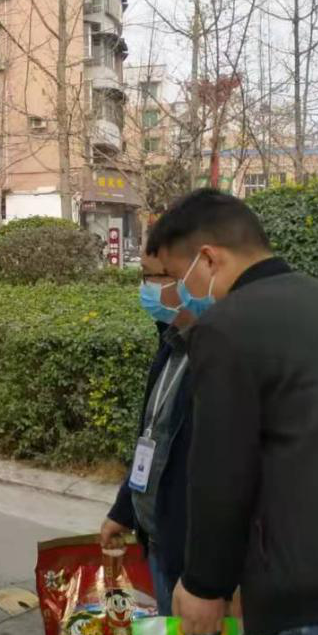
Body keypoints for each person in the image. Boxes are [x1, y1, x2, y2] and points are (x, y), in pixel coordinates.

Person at [152, 188, 318, 635]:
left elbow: (222, 469)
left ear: (208, 258)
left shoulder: (229, 327)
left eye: (174, 277)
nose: (172, 293)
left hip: (317, 617)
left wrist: (205, 584)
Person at [99, 248, 196, 615]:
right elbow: (154, 441)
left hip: (193, 567)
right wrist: (125, 510)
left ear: (189, 279)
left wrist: (210, 578)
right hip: (158, 543)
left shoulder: (220, 356)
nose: (146, 288)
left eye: (153, 277)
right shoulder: (171, 343)